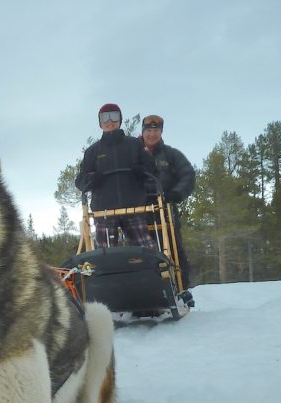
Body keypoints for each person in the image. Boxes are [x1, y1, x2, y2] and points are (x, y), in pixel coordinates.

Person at [75, 103, 157, 249]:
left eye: (113, 116)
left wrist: (141, 172)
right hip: (104, 211)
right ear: (100, 122)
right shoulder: (92, 151)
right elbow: (81, 181)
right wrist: (91, 179)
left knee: (146, 250)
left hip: (134, 208)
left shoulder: (135, 145)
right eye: (104, 117)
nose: (109, 121)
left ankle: (152, 271)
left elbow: (152, 170)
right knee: (105, 255)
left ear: (120, 119)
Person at [140, 114, 196, 286]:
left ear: (161, 132)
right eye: (148, 130)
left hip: (165, 210)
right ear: (143, 132)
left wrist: (176, 194)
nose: (152, 134)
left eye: (156, 130)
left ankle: (181, 289)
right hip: (138, 212)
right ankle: (145, 291)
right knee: (140, 253)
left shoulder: (171, 155)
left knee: (173, 250)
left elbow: (188, 175)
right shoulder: (133, 154)